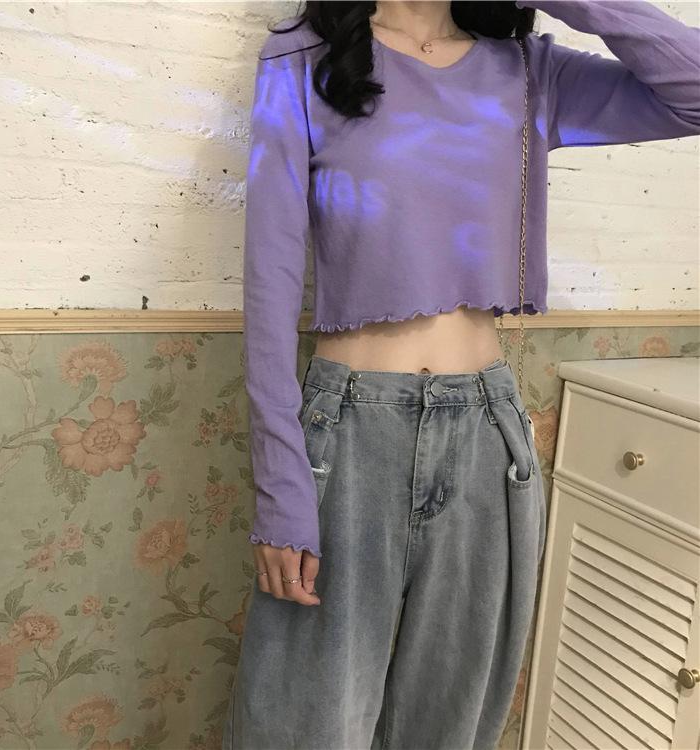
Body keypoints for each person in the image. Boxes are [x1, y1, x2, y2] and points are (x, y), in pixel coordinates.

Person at [223, 1, 700, 748]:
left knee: (451, 726)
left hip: (487, 439)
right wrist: (281, 486)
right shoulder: (302, 58)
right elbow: (270, 278)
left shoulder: (528, 70)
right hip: (347, 437)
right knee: (303, 725)